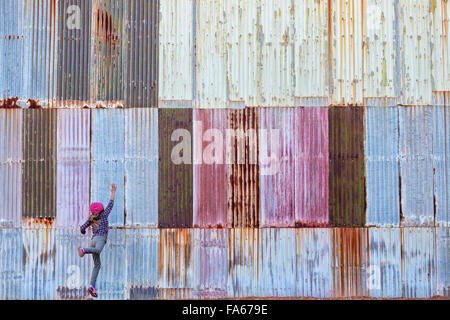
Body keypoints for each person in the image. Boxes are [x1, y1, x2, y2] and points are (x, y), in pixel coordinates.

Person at [78, 184, 116, 298]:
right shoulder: (104, 215)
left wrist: (84, 232)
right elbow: (111, 204)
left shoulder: (91, 219)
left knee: (97, 265)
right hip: (99, 239)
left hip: (93, 240)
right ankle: (84, 250)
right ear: (101, 210)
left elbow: (82, 228)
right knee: (98, 250)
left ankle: (92, 286)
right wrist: (113, 192)